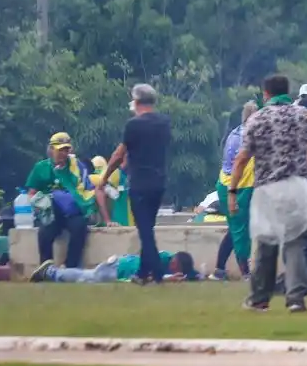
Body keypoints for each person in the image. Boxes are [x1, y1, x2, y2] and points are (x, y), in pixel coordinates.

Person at [230, 74, 307, 313]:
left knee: (267, 244)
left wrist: (233, 190)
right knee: (295, 243)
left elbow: (242, 158)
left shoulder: (257, 119)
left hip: (268, 188)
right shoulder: (303, 116)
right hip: (298, 186)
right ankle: (296, 298)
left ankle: (259, 298)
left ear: (266, 94)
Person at [98, 84, 172, 284]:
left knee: (145, 231)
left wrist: (105, 177)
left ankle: (157, 274)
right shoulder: (164, 122)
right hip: (159, 182)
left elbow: (119, 155)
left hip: (140, 183)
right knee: (148, 227)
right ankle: (141, 273)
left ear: (137, 101)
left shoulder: (133, 125)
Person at [25, 133, 95, 274]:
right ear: (51, 149)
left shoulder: (76, 167)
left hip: (72, 211)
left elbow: (86, 189)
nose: (63, 153)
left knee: (80, 227)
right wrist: (39, 204)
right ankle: (46, 268)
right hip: (50, 211)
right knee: (45, 232)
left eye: (66, 150)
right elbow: (31, 193)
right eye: (60, 150)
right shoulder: (41, 167)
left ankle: (70, 268)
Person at [216, 101, 257, 279]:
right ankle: (245, 272)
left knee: (235, 230)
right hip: (237, 186)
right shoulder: (245, 137)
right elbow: (239, 164)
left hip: (232, 185)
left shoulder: (237, 132)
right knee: (240, 231)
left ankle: (219, 269)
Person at [31, 251, 191, 283]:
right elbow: (151, 276)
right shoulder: (162, 258)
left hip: (118, 265)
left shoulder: (167, 261)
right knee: (86, 277)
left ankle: (55, 272)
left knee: (86, 276)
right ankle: (51, 272)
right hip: (118, 269)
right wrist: (169, 278)